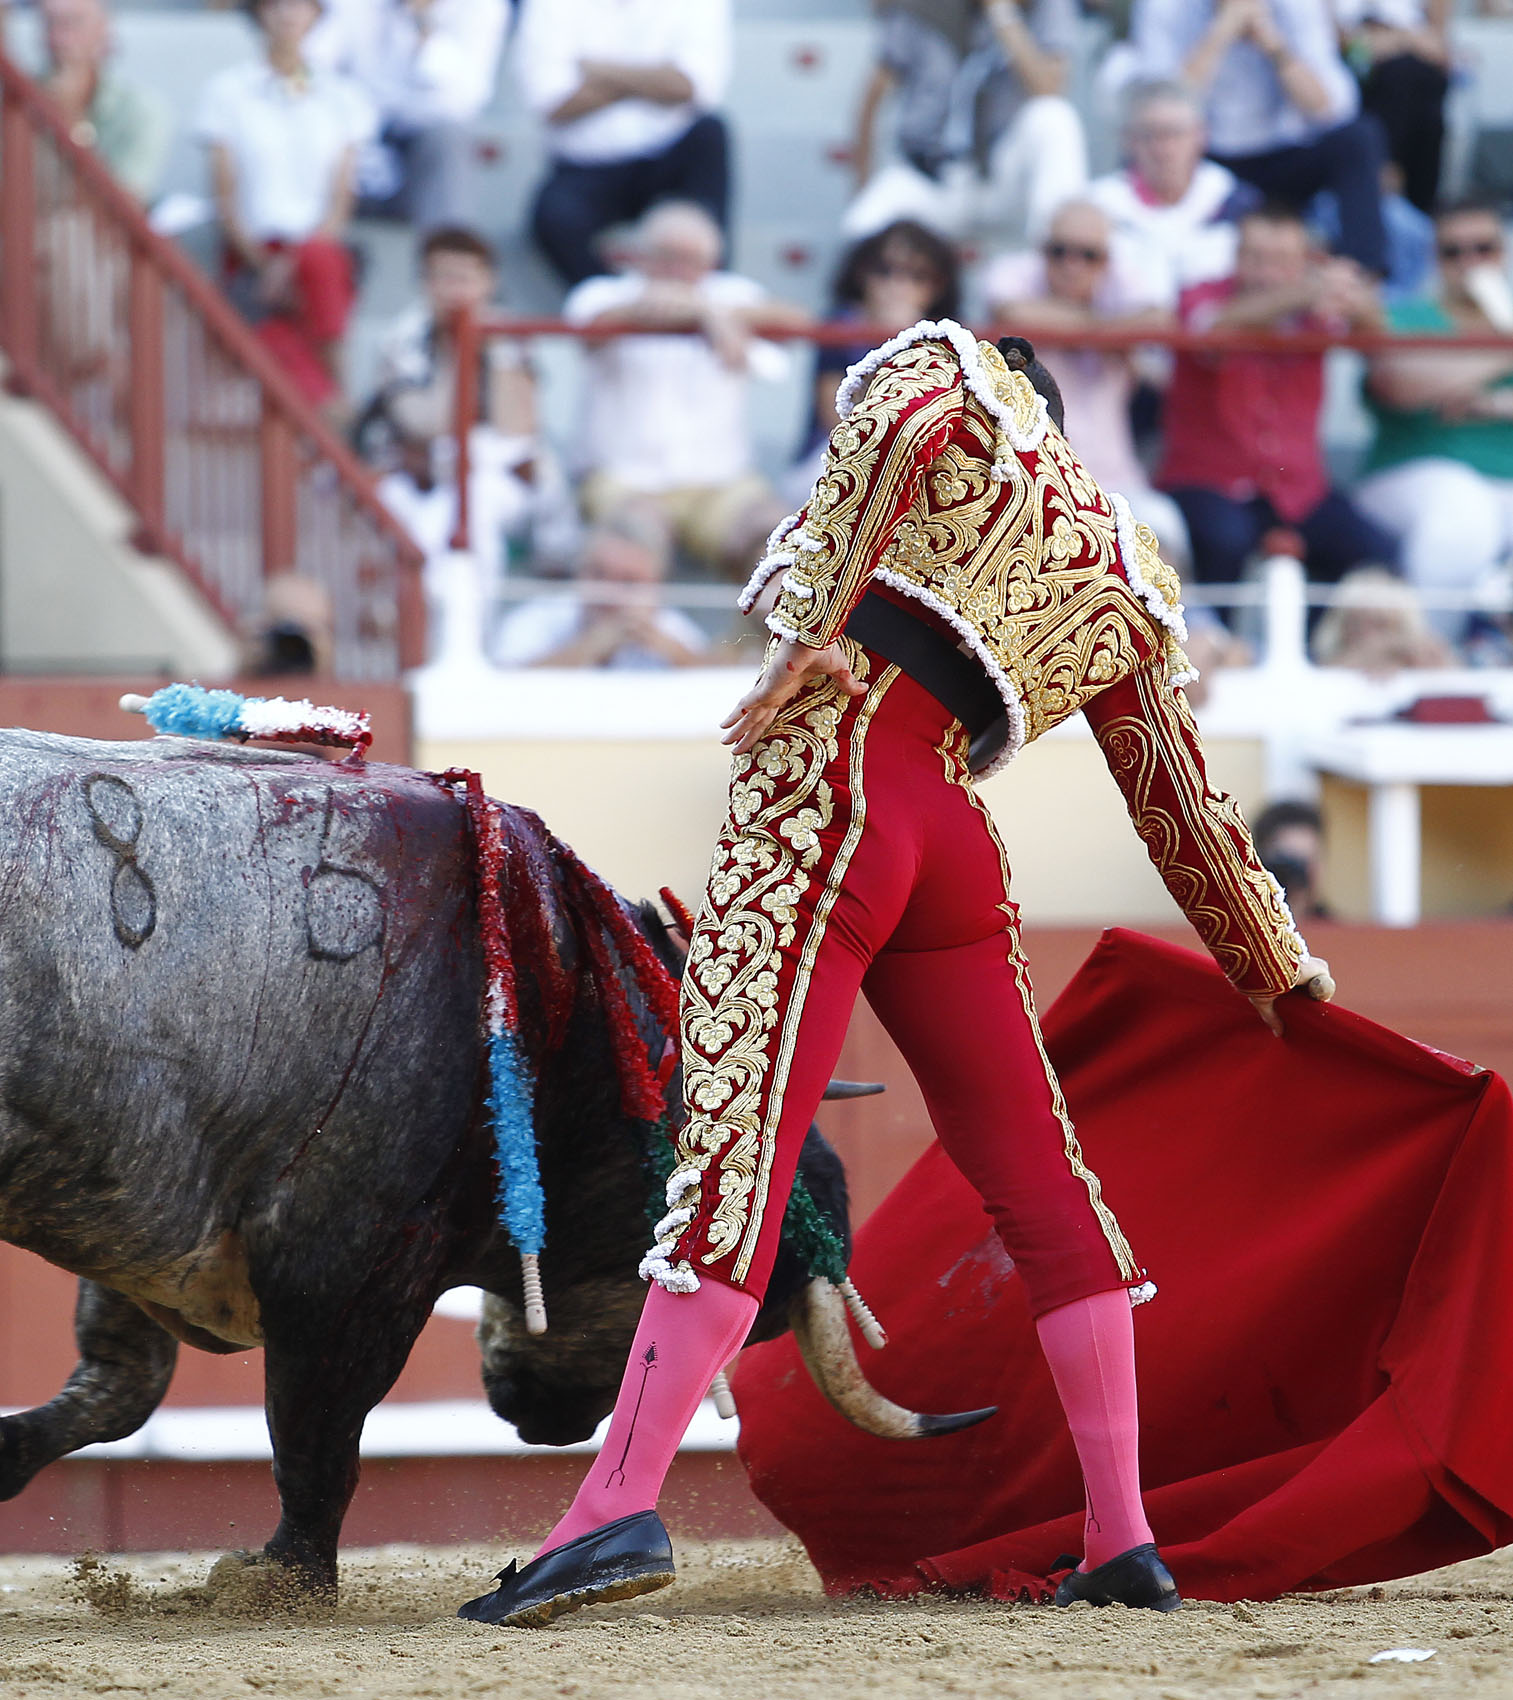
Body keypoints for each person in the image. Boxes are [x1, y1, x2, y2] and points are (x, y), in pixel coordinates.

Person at [455, 322, 1333, 1628]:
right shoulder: (1120, 564)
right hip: (952, 836)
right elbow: (1178, 803)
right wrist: (1276, 969)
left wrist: (810, 625)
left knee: (731, 1146)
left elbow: (897, 422)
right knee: (1044, 1183)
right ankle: (1124, 1536)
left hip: (834, 773)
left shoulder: (951, 379)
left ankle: (615, 1507)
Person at [1157, 202, 1397, 595]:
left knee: (1375, 553)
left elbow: (1379, 343)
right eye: (1255, 258)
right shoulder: (1202, 295)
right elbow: (1213, 330)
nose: (1267, 273)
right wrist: (1305, 290)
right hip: (1208, 484)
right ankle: (1214, 650)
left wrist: (1353, 294)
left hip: (1298, 491)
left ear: (1305, 262)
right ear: (1236, 258)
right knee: (1223, 539)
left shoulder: (1312, 308)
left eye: (1281, 260)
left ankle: (1317, 648)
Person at [564, 201, 808, 580]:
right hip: (624, 481)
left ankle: (751, 641)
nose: (679, 270)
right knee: (633, 544)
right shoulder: (603, 293)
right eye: (668, 256)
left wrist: (708, 311)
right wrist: (704, 314)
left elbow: (798, 321)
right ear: (640, 254)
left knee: (778, 543)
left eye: (692, 259)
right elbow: (591, 328)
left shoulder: (731, 293)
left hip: (722, 484)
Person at [363, 225, 574, 581]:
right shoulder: (404, 337)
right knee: (438, 511)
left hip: (493, 477)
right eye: (443, 278)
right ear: (424, 283)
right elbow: (422, 425)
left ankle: (453, 617)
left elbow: (518, 427)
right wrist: (458, 352)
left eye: (465, 279)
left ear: (489, 283)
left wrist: (488, 349)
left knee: (472, 502)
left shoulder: (508, 335)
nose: (455, 291)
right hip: (415, 475)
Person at [983, 198, 1188, 563]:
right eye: (1059, 251)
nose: (1072, 265)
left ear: (1106, 259)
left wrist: (1075, 327)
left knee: (1165, 546)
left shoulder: (1120, 280)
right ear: (1042, 250)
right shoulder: (1015, 271)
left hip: (1115, 481)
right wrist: (1108, 330)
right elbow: (1012, 313)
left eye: (1088, 255)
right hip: (1032, 478)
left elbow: (1159, 320)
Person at [196, 0, 376, 407]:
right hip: (254, 260)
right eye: (277, 4)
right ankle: (342, 398)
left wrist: (292, 264)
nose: (288, 14)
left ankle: (339, 402)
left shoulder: (343, 95)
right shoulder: (227, 91)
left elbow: (341, 200)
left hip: (314, 259)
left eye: (300, 4)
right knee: (297, 371)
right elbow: (225, 197)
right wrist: (266, 263)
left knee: (318, 259)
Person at [1352, 199, 1513, 652]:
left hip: (1504, 487)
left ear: (1502, 252)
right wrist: (1501, 348)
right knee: (1461, 511)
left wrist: (1483, 400)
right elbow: (1402, 383)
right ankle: (1431, 656)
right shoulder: (1407, 316)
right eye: (1453, 252)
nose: (1469, 263)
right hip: (1411, 474)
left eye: (1483, 249)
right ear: (1434, 259)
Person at [1131, 0, 1389, 276]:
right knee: (1154, 136)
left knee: (1358, 137)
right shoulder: (1164, 7)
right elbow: (1159, 104)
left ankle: (1361, 278)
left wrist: (1272, 43)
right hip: (1204, 158)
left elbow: (1331, 108)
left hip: (1283, 155)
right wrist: (1220, 33)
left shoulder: (1298, 7)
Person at [514, 0, 732, 288]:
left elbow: (693, 87)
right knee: (553, 218)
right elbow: (553, 103)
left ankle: (706, 294)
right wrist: (651, 80)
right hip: (584, 167)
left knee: (710, 134)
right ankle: (614, 308)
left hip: (673, 152)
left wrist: (598, 71)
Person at [845, 0, 1087, 244]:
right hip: (932, 176)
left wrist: (1002, 15)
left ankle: (1064, 250)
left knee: (1054, 116)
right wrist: (863, 187)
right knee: (862, 227)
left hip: (1000, 171)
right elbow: (872, 99)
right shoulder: (919, 9)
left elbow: (1049, 87)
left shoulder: (1045, 6)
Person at [789, 218, 962, 498]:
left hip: (919, 457)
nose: (898, 285)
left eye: (916, 275)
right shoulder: (841, 326)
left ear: (938, 287)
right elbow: (835, 416)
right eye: (885, 271)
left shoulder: (949, 338)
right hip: (836, 456)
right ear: (861, 273)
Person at [306, 0, 508, 230]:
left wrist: (422, 25)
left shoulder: (481, 7)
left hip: (423, 134)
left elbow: (465, 99)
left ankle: (445, 254)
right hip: (356, 129)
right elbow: (315, 66)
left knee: (450, 138)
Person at [1087, 80, 1258, 308]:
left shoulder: (1238, 203)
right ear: (1128, 141)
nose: (1163, 149)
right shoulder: (1096, 206)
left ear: (1200, 136)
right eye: (1149, 135)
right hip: (1119, 335)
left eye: (1174, 134)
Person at [491, 510, 708, 668]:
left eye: (629, 582)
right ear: (579, 572)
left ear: (656, 587)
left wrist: (678, 657)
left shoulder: (672, 631)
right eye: (598, 574)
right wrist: (588, 649)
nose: (609, 593)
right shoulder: (536, 620)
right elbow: (501, 690)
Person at [40, 0, 170, 202]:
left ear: (104, 31)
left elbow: (126, 203)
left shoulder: (140, 111)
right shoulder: (18, 103)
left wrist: (72, 118)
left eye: (72, 23)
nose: (59, 40)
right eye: (50, 23)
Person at [1335, 0, 1451, 215]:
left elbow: (1438, 50)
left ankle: (1387, 173)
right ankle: (1413, 199)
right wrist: (1405, 40)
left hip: (1408, 78)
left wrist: (1389, 40)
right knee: (1406, 78)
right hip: (1348, 73)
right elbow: (1324, 39)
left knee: (1415, 81)